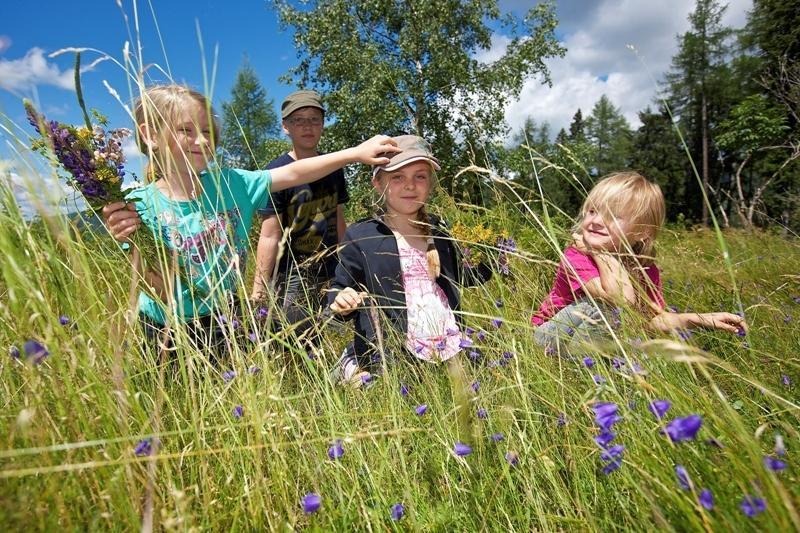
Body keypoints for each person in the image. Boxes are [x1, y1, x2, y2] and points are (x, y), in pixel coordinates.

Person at [101, 84, 399, 358]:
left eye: (207, 131)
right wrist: (131, 242)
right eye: (186, 130)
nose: (202, 140)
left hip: (224, 317)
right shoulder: (137, 205)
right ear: (151, 134)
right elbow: (159, 290)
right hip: (164, 328)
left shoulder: (233, 185)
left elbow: (296, 172)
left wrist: (356, 154)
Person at [327, 135, 491, 386]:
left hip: (447, 344)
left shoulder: (439, 230)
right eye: (397, 177)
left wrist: (491, 263)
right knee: (395, 390)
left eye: (420, 176)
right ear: (379, 184)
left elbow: (456, 277)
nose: (410, 185)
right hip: (391, 351)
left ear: (430, 183)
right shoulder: (362, 236)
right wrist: (340, 299)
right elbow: (340, 287)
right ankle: (352, 361)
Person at [531, 171, 748, 354]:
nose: (596, 221)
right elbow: (619, 299)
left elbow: (652, 321)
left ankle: (607, 375)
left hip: (590, 342)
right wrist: (600, 252)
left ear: (641, 232)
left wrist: (700, 319)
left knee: (641, 346)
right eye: (592, 211)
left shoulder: (646, 269)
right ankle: (586, 372)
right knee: (606, 307)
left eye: (613, 216)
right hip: (548, 338)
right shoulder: (577, 255)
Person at [252, 90, 348, 351]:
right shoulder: (275, 173)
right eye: (298, 120)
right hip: (294, 274)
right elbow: (270, 234)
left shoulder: (333, 167)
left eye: (314, 119)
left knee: (335, 337)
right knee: (296, 343)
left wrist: (348, 262)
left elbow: (339, 217)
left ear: (323, 125)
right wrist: (260, 287)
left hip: (332, 267)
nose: (308, 126)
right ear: (285, 127)